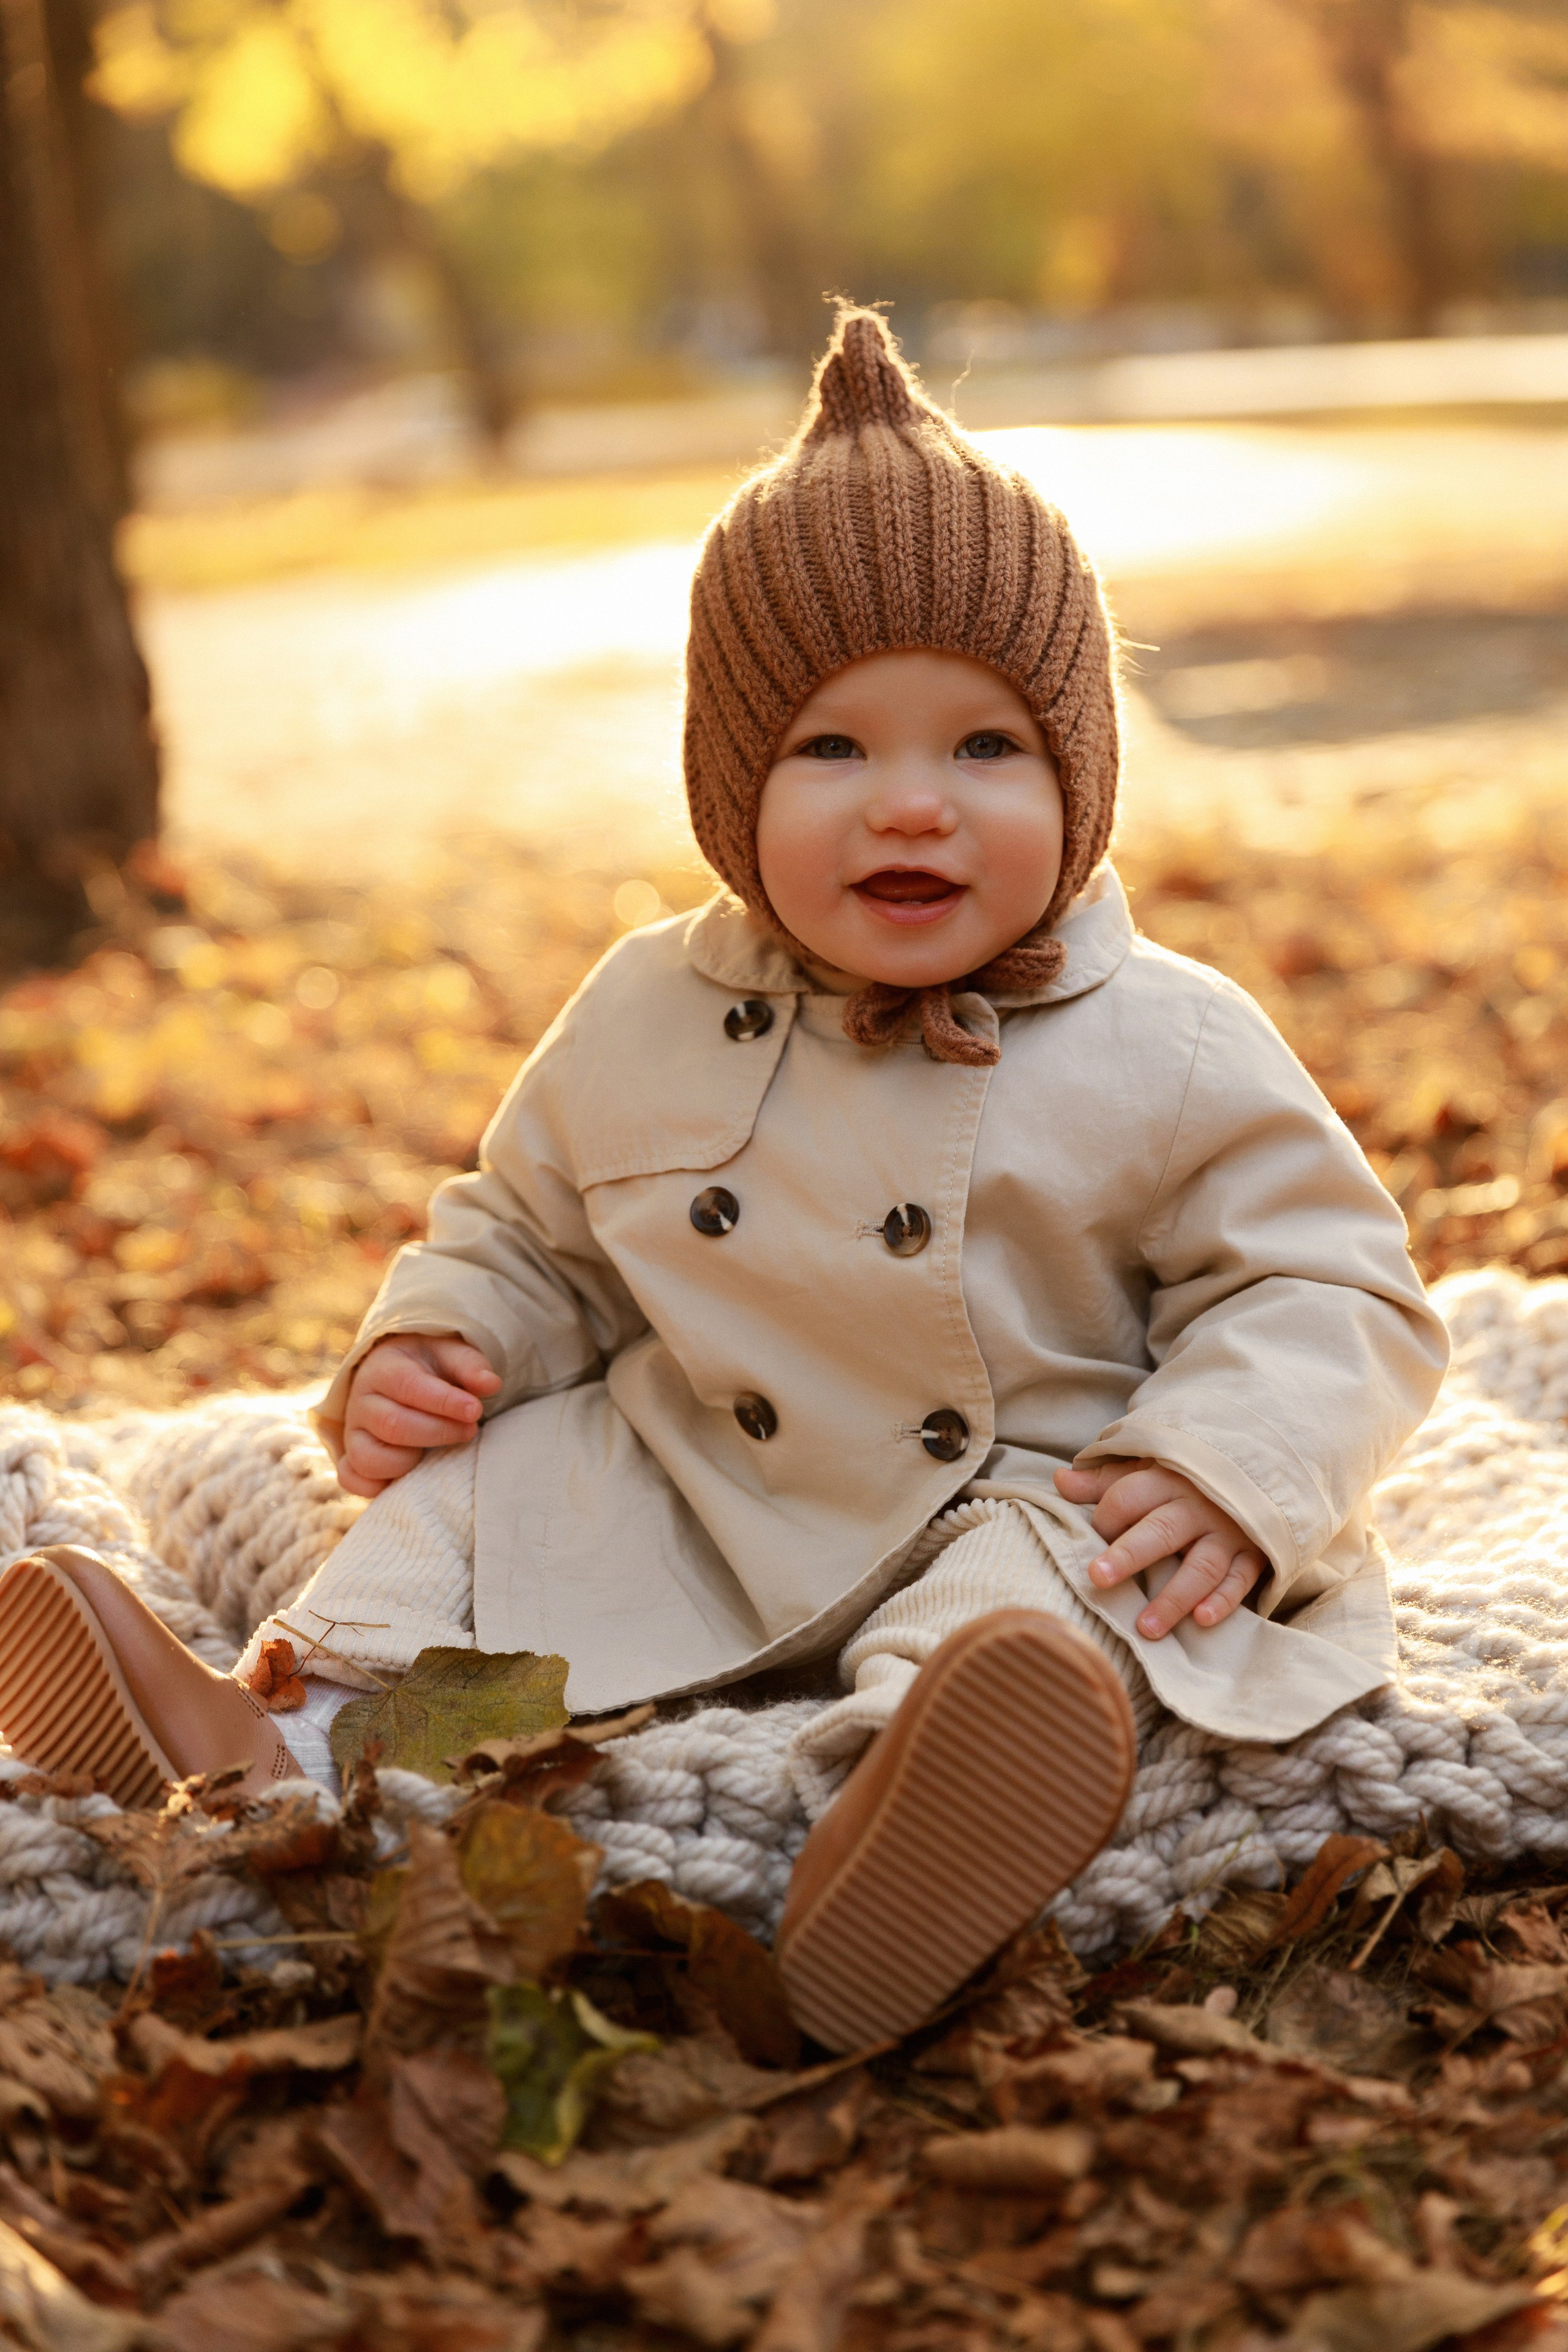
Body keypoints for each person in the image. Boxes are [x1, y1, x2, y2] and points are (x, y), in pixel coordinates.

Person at [0, 311, 1447, 2052]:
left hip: (1030, 1479)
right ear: (726, 781)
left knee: (1058, 1601)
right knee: (475, 1506)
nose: (909, 806)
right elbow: (530, 1228)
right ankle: (283, 1734)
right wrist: (443, 1342)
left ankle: (910, 1818)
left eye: (986, 748)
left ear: (1082, 770)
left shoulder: (1173, 1038)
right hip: (700, 1482)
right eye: (833, 750)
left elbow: (1330, 1285)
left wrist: (1226, 1465)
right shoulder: (649, 1008)